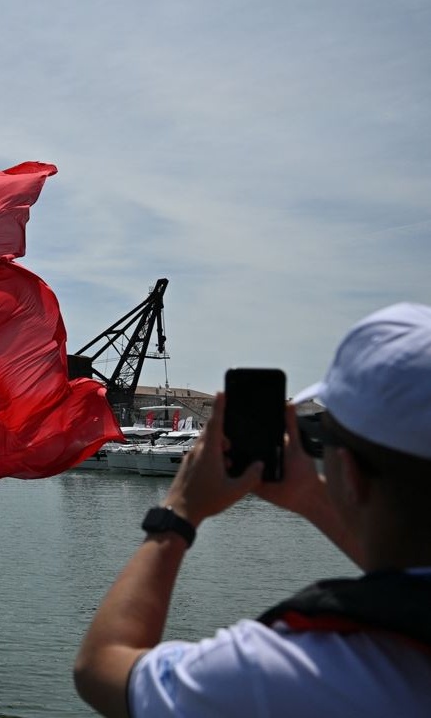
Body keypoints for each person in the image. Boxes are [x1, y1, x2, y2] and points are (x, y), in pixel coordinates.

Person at [74, 302, 431, 717]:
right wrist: (308, 496)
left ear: (349, 473)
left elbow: (101, 667)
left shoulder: (290, 673)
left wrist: (179, 510)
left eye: (324, 433)